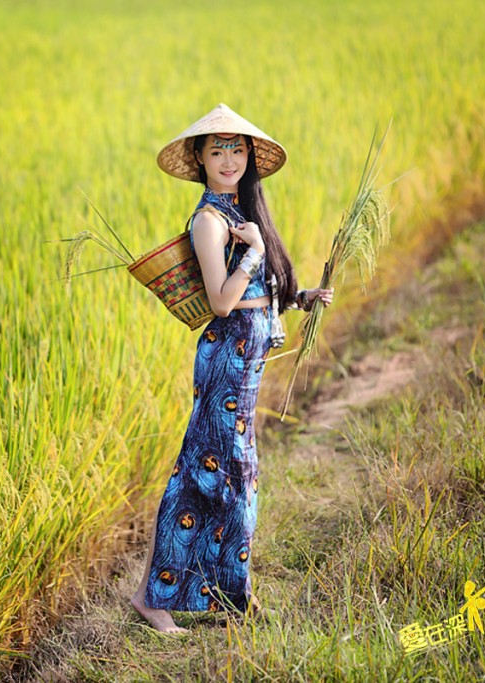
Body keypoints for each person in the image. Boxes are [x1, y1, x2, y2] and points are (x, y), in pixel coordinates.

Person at [129, 103, 334, 632]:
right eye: (216, 149)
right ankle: (156, 598)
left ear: (249, 156)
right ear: (199, 158)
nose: (228, 158)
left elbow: (256, 295)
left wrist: (301, 296)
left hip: (245, 364)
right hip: (225, 363)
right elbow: (222, 302)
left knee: (231, 480)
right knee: (209, 476)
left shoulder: (242, 217)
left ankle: (226, 595)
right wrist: (254, 252)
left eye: (236, 148)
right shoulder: (208, 222)